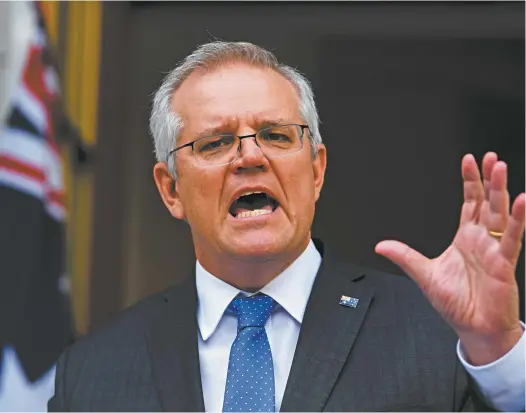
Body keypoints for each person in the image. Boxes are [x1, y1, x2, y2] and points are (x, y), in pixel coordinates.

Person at [48, 41, 525, 412]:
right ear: (171, 190)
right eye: (216, 143)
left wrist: (497, 348)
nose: (251, 156)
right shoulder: (92, 373)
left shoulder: (437, 334)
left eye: (276, 135)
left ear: (316, 171)